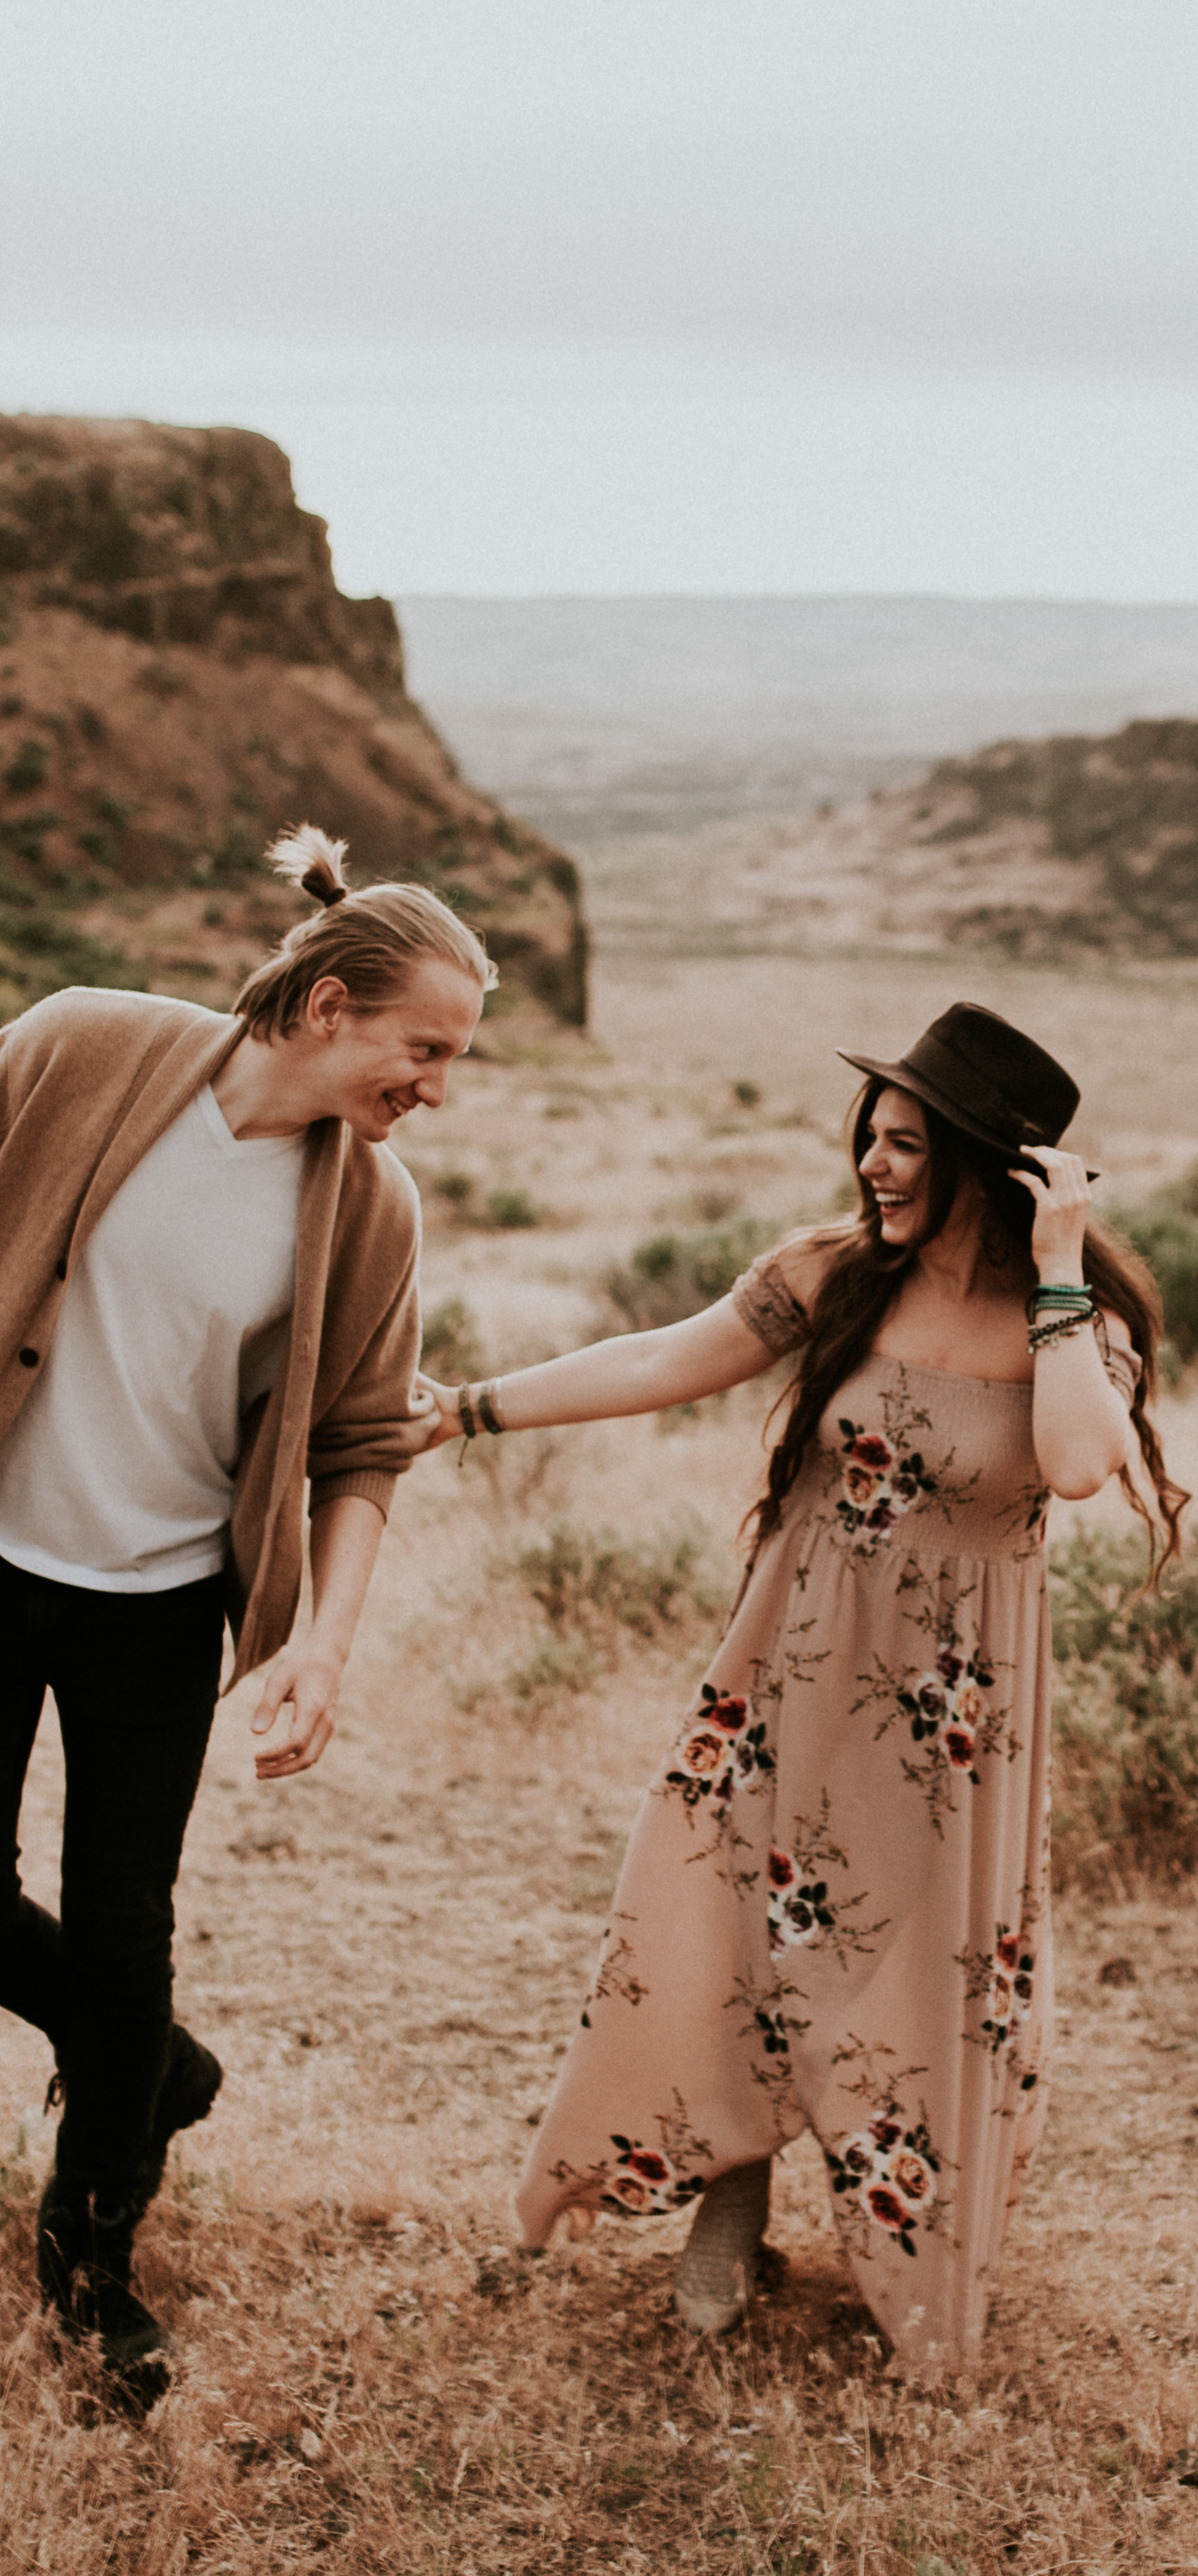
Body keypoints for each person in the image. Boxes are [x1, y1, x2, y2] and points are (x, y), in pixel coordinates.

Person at [0, 826, 487, 2394]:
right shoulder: (78, 1048)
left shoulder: (375, 1210)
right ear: (328, 1005)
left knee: (125, 1926)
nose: (441, 1087)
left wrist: (321, 1646)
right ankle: (154, 2075)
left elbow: (358, 1443)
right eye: (427, 1049)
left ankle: (93, 2249)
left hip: (158, 1604)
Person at [419, 1003, 1187, 2376]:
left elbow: (1077, 1465)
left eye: (907, 1145)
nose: (875, 1167)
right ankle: (732, 2186)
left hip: (954, 1719)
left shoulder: (1076, 1323)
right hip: (789, 1668)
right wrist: (464, 1409)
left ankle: (900, 2237)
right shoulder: (832, 1274)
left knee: (913, 1957)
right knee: (724, 1911)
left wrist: (1062, 1264)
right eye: (870, 1140)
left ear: (988, 1168)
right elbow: (662, 1360)